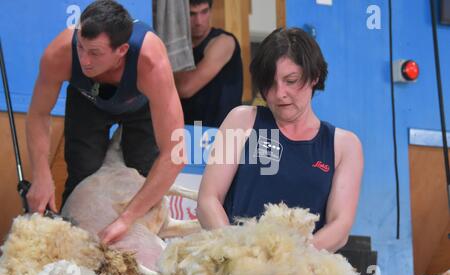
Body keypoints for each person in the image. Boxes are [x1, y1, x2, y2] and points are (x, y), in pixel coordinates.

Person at [25, 0, 185, 245]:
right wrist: (41, 173)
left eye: (95, 53)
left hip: (140, 106)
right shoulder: (59, 54)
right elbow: (38, 114)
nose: (84, 60)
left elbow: (175, 153)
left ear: (121, 51)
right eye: (80, 47)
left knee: (140, 178)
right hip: (86, 100)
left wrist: (127, 218)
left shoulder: (151, 62)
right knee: (81, 176)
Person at [197, 28, 364, 253]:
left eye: (291, 80)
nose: (279, 93)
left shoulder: (344, 145)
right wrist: (239, 255)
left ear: (314, 77)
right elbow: (208, 201)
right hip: (239, 270)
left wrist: (286, 262)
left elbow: (340, 227)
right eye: (270, 83)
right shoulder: (242, 121)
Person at [174, 0, 243, 128]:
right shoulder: (181, 46)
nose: (199, 21)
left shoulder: (223, 41)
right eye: (192, 14)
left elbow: (185, 88)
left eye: (204, 12)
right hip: (187, 131)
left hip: (220, 134)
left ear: (211, 11)